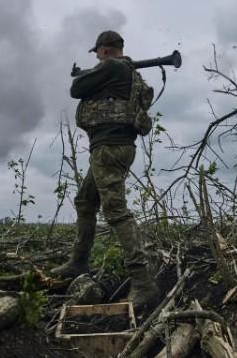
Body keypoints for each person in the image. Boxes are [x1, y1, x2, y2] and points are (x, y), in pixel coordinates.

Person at [51, 30, 161, 313]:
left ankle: (143, 282)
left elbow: (76, 89)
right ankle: (78, 262)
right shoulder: (129, 73)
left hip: (109, 148)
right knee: (86, 202)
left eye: (98, 52)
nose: (97, 57)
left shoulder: (112, 67)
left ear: (104, 50)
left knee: (115, 211)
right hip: (114, 147)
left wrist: (89, 73)